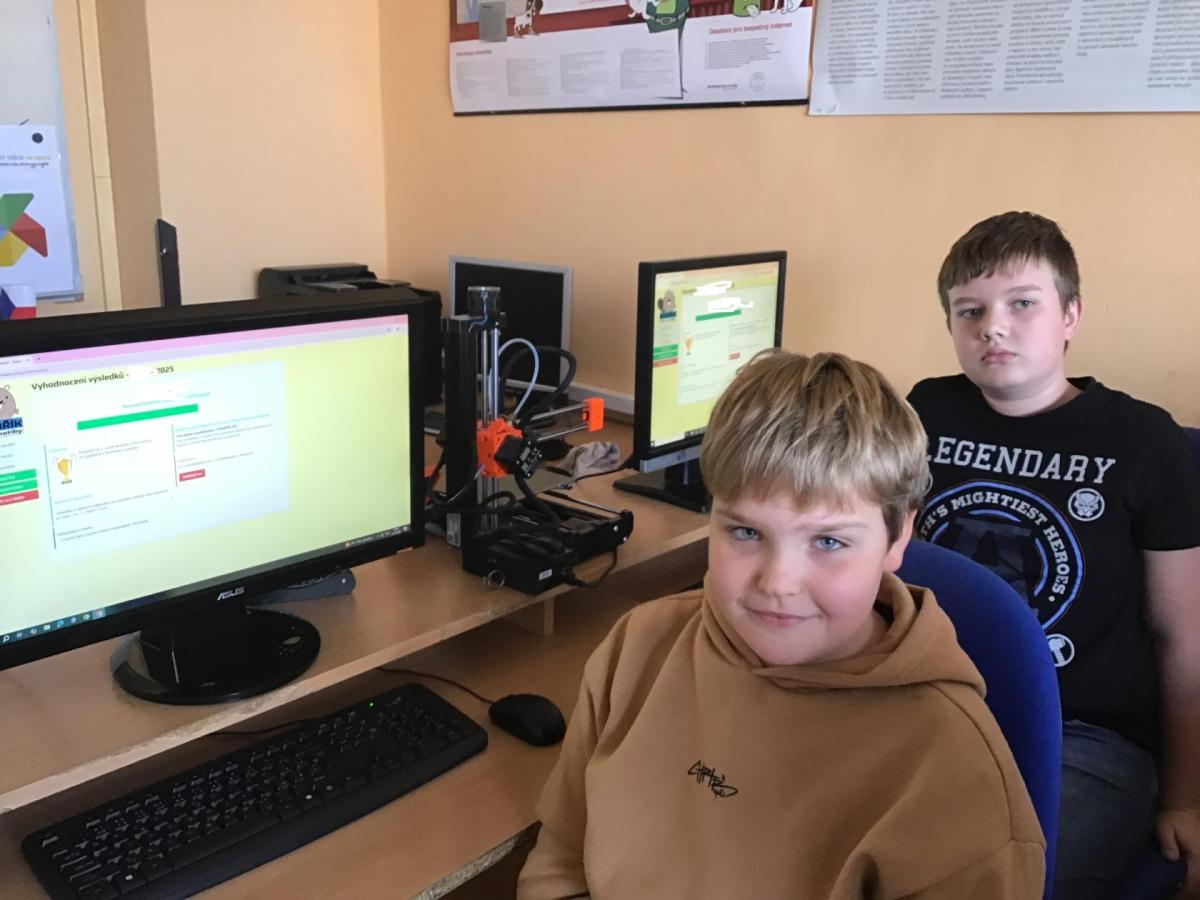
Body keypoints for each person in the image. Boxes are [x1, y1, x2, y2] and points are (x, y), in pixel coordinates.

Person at [518, 350, 1044, 899]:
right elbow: (561, 857)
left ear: (899, 537)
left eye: (829, 541)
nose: (777, 582)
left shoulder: (954, 776)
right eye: (746, 532)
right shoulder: (638, 646)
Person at [908, 210, 1200, 899]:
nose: (992, 327)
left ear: (1070, 315)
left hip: (1084, 736)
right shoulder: (923, 413)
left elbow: (1182, 636)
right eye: (969, 310)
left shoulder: (1144, 442)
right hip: (928, 701)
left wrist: (1186, 797)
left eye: (1022, 304)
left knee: (997, 884)